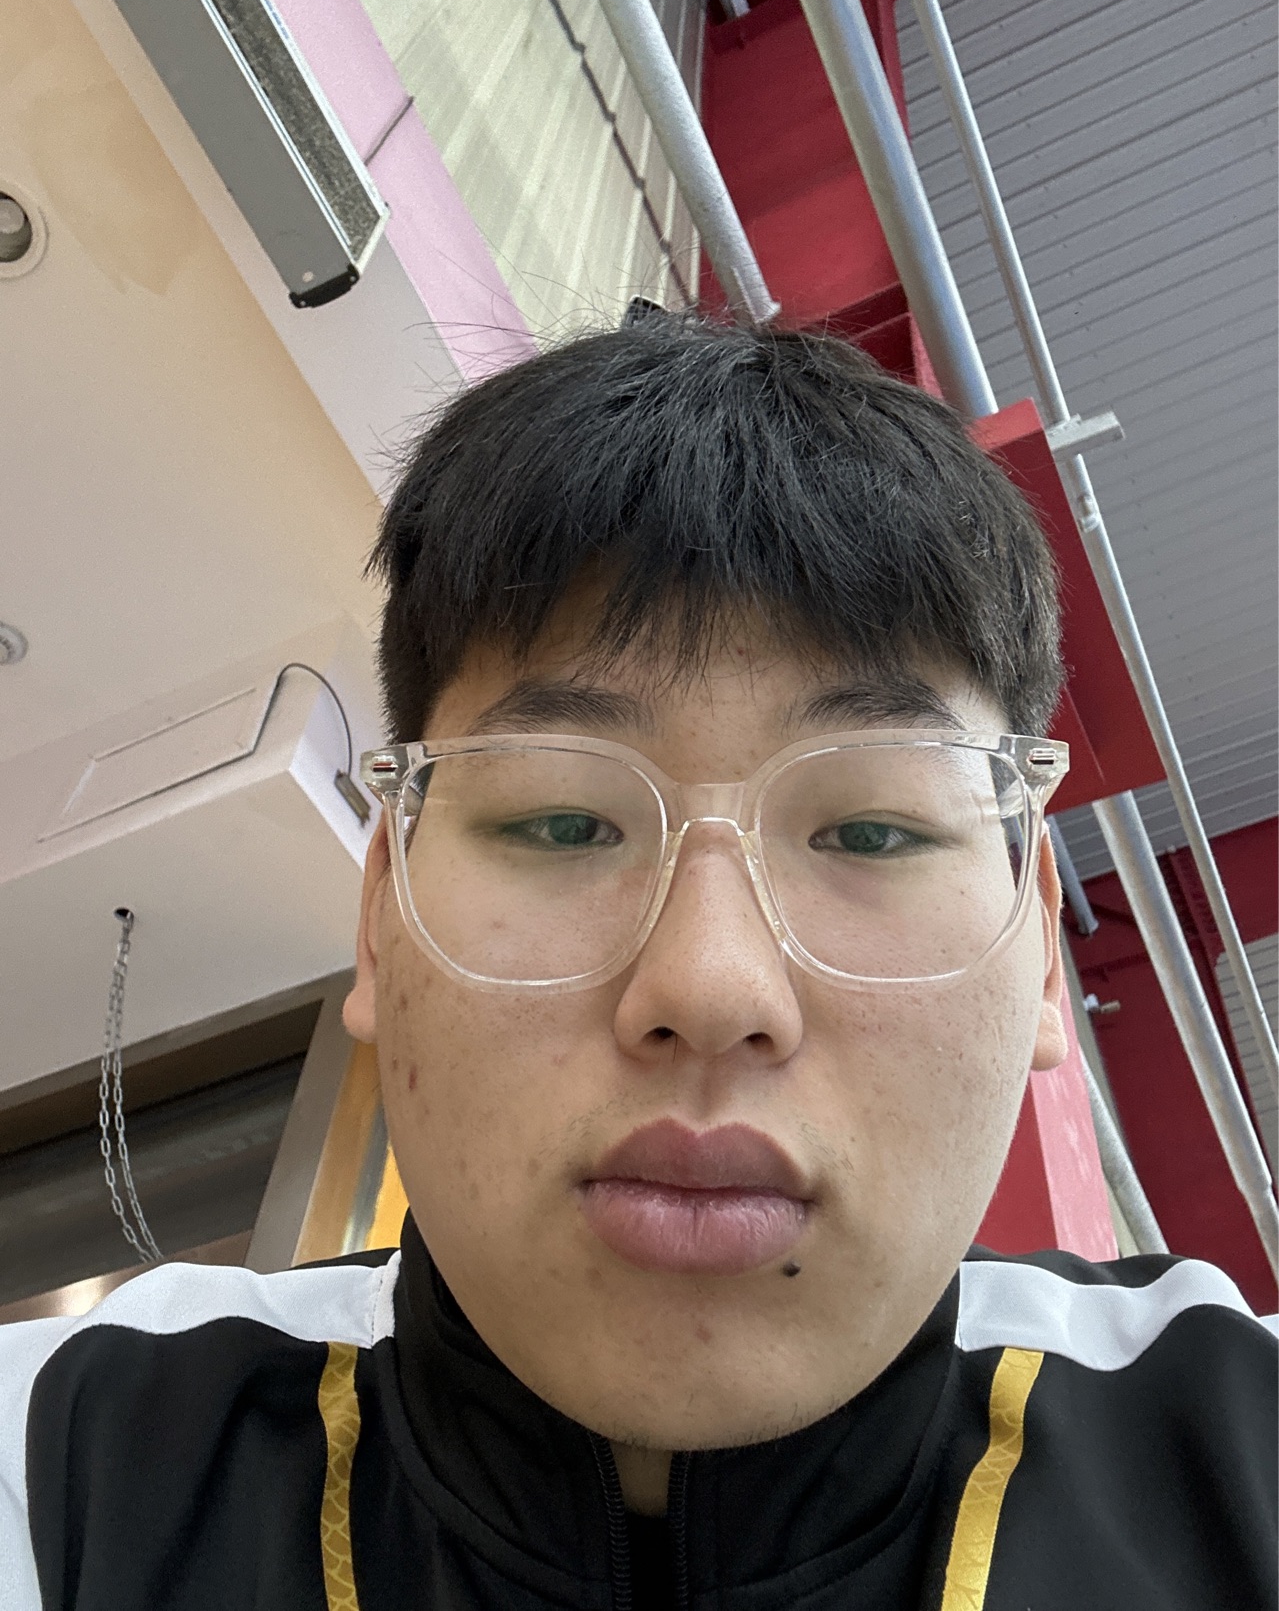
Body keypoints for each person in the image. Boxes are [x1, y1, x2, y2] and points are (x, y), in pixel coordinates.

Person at [2, 317, 1274, 1610]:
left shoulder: (1242, 1451)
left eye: (874, 830)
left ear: (1041, 947)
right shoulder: (72, 1461)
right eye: (563, 821)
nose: (712, 987)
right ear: (381, 914)